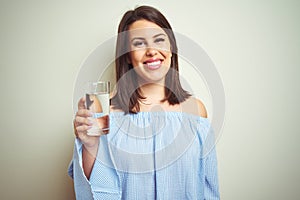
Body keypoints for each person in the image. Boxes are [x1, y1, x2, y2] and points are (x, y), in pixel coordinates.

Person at [69, 5, 220, 200]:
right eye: (139, 43)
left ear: (171, 48)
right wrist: (90, 144)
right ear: (128, 56)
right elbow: (93, 190)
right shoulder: (103, 111)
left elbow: (208, 186)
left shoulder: (196, 111)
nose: (152, 51)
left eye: (159, 40)